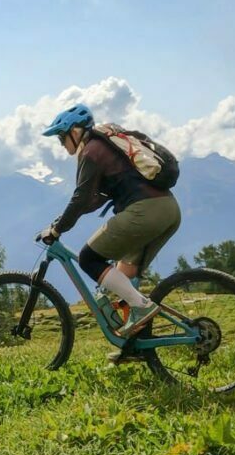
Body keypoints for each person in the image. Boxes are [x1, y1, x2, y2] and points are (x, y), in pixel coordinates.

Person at [36, 103, 182, 361]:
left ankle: (141, 307)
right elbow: (93, 200)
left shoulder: (91, 151)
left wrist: (57, 230)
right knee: (125, 276)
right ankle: (134, 347)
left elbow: (81, 198)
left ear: (76, 131)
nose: (61, 144)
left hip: (145, 211)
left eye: (61, 137)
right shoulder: (106, 147)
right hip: (168, 210)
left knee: (89, 259)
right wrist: (60, 222)